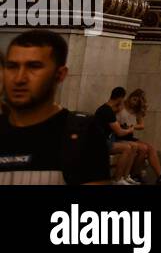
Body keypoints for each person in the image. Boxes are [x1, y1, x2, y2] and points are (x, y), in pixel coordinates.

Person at [0, 30, 110, 185]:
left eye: (34, 67)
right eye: (12, 66)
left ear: (60, 74)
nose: (19, 78)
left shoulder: (81, 134)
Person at [95, 87, 140, 184]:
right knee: (127, 148)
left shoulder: (108, 109)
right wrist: (130, 130)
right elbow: (119, 132)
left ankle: (126, 176)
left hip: (108, 139)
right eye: (123, 99)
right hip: (101, 142)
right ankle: (117, 179)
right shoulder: (107, 111)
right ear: (120, 98)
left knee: (135, 146)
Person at [119, 89, 161, 183]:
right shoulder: (121, 105)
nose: (134, 102)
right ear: (131, 96)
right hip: (120, 133)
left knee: (151, 148)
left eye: (137, 101)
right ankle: (133, 173)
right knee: (143, 148)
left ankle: (160, 176)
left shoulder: (136, 110)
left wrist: (133, 126)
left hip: (129, 134)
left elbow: (141, 125)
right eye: (134, 99)